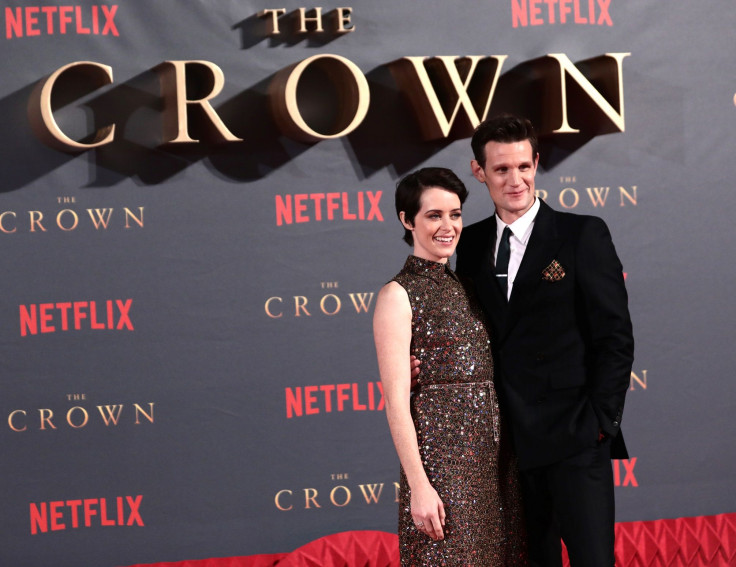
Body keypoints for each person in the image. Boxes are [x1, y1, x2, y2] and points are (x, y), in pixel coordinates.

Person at [455, 114, 634, 566]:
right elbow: (472, 330)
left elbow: (614, 337)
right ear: (479, 172)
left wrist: (599, 423)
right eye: (500, 170)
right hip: (509, 445)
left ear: (536, 162)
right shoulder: (471, 243)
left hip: (574, 437)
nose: (515, 181)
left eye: (523, 167)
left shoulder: (581, 235)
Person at [374, 167, 527, 566]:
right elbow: (395, 405)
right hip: (442, 473)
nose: (448, 226)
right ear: (407, 220)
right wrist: (419, 487)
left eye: (455, 214)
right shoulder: (397, 295)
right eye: (434, 215)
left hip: (495, 467)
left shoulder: (470, 287)